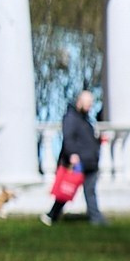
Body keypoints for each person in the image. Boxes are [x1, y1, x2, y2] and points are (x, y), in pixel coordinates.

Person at [45, 89, 103, 226]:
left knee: (90, 191)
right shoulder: (71, 118)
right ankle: (52, 215)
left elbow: (87, 139)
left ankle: (96, 218)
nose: (90, 106)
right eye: (88, 103)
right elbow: (68, 138)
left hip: (90, 162)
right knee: (67, 188)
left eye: (91, 103)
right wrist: (72, 154)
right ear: (79, 102)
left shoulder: (86, 119)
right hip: (79, 162)